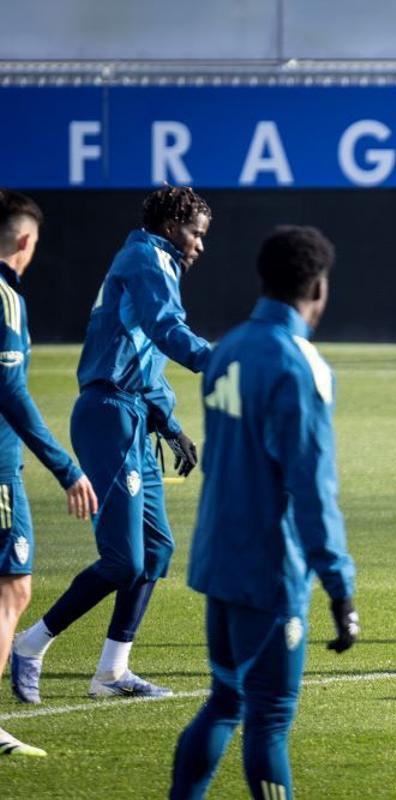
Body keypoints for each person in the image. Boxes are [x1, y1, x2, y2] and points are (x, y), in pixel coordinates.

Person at [169, 225, 358, 800]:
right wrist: (340, 588)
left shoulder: (227, 347)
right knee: (270, 718)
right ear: (318, 288)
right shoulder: (298, 364)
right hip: (268, 570)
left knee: (225, 701)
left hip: (218, 558)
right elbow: (311, 487)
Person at [12, 185, 212, 702]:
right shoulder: (149, 258)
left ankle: (111, 673)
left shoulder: (149, 259)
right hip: (109, 414)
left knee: (156, 549)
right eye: (196, 233)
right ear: (171, 226)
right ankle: (30, 644)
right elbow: (166, 329)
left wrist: (168, 424)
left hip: (131, 414)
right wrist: (225, 359)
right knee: (125, 560)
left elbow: (143, 356)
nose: (200, 245)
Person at [0, 191, 98, 755]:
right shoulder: (7, 300)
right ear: (25, 240)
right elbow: (9, 390)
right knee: (13, 586)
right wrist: (65, 468)